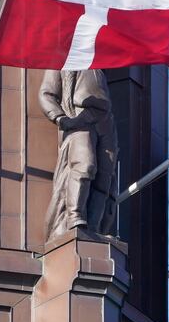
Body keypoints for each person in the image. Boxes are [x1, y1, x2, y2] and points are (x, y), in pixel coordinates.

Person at [38, 69, 119, 241]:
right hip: (79, 116)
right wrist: (60, 118)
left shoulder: (100, 62)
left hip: (105, 119)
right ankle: (74, 218)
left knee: (105, 177)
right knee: (84, 165)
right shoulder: (64, 59)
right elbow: (46, 94)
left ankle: (94, 228)